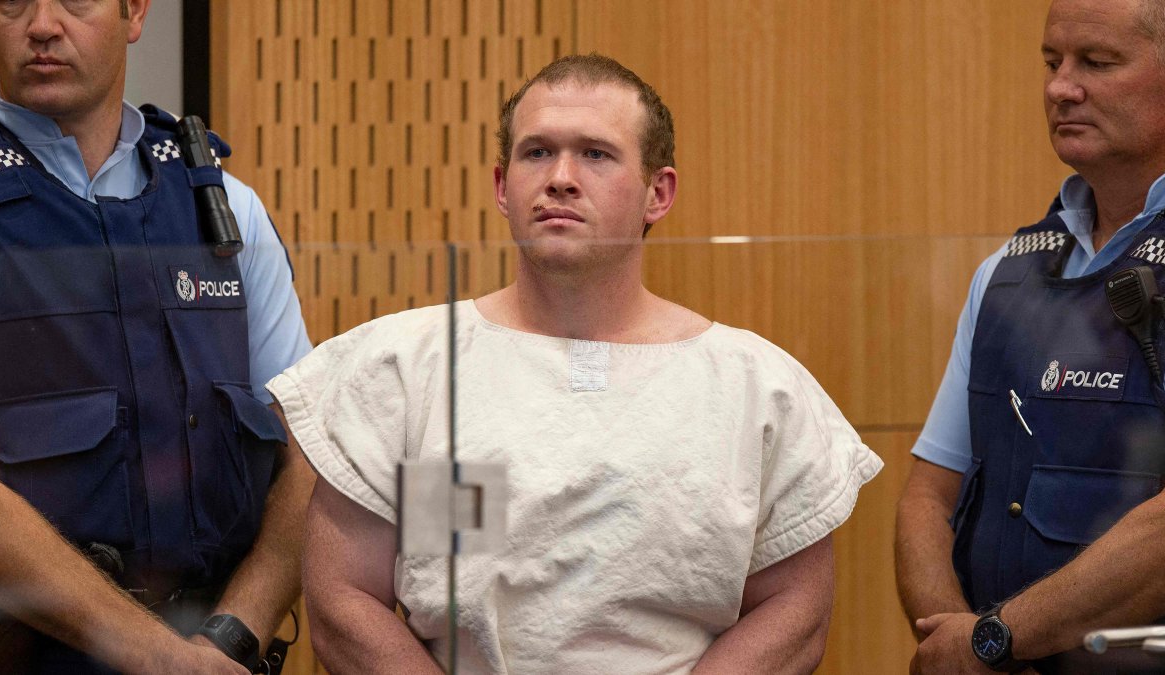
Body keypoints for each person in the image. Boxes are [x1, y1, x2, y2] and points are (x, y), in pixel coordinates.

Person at [268, 53, 882, 674]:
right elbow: (346, 601)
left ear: (657, 193)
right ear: (502, 188)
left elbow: (794, 609)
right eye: (537, 153)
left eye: (596, 154)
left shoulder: (757, 387)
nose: (561, 177)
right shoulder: (402, 369)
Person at [0, 0, 314, 672]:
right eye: (12, 1)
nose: (41, 24)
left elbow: (309, 456)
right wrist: (161, 659)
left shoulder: (224, 210)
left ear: (135, 12)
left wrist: (230, 637)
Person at [895, 0, 1165, 673]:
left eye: (1096, 61)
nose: (1061, 86)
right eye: (1052, 61)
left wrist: (996, 639)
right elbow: (927, 496)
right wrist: (962, 650)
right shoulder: (1007, 270)